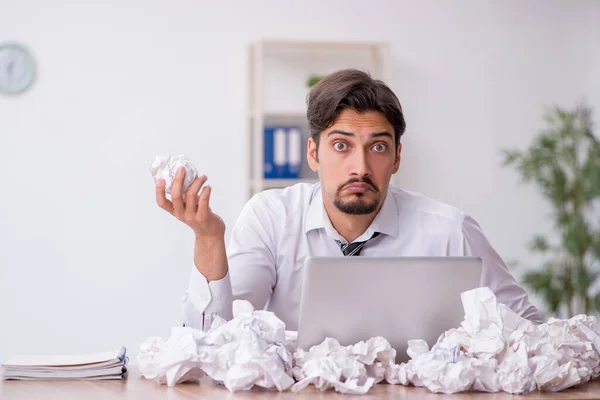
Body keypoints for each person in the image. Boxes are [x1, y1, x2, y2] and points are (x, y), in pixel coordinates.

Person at [155, 68, 543, 331]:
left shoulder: (451, 231)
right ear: (313, 154)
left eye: (378, 146)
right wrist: (208, 240)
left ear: (397, 158)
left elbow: (531, 332)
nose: (360, 167)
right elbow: (210, 340)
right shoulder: (271, 218)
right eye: (341, 145)